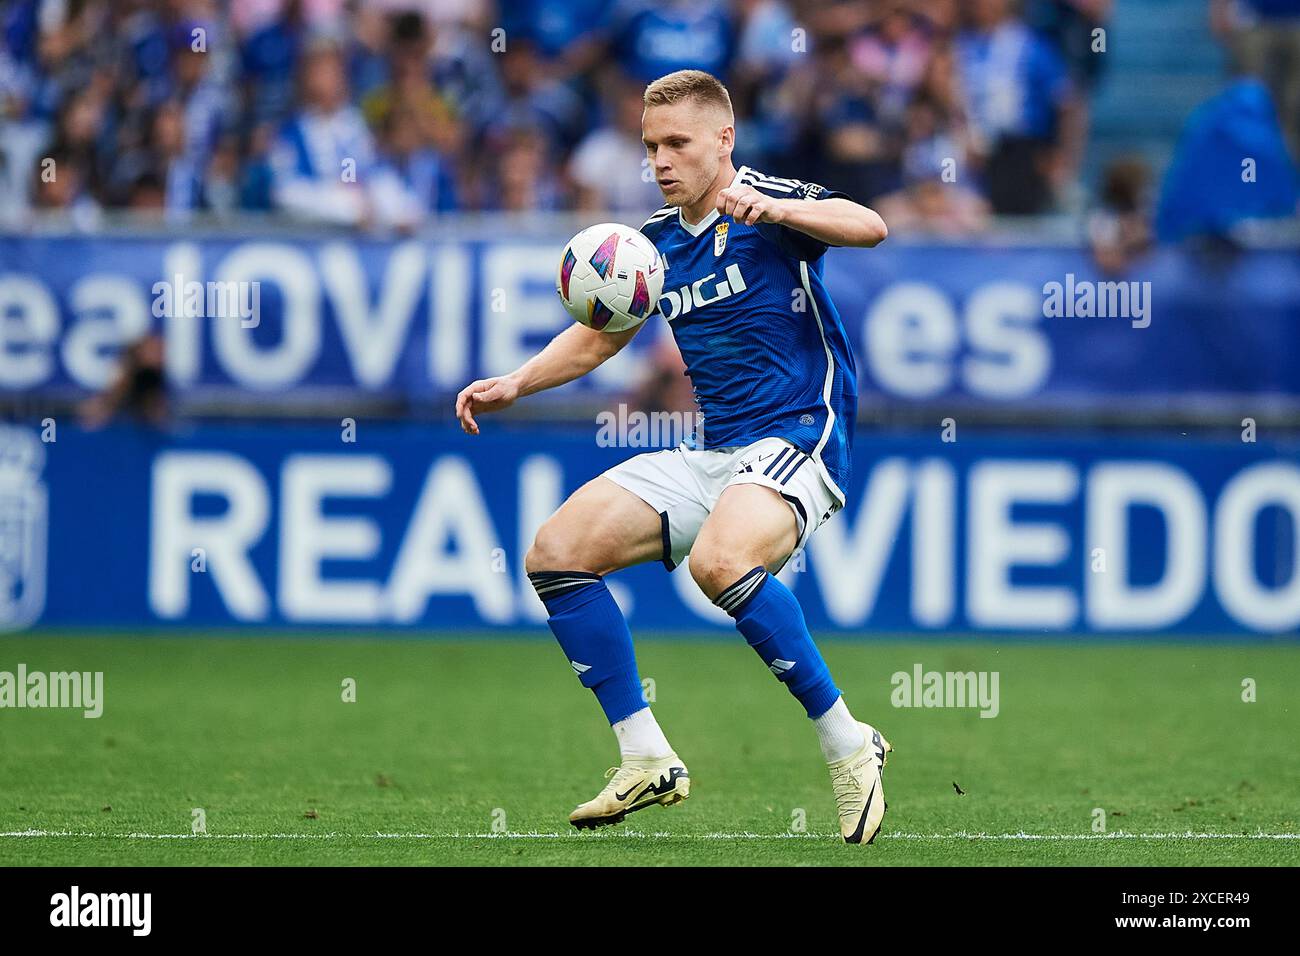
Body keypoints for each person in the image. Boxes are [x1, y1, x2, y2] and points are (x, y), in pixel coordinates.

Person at [455, 69, 895, 845]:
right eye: (651, 145)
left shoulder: (767, 203)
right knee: (556, 553)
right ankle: (644, 755)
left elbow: (868, 225)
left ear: (723, 139)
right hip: (717, 451)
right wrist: (517, 382)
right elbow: (601, 335)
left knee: (719, 563)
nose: (661, 160)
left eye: (678, 144)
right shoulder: (653, 245)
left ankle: (848, 741)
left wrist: (780, 207)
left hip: (800, 434)